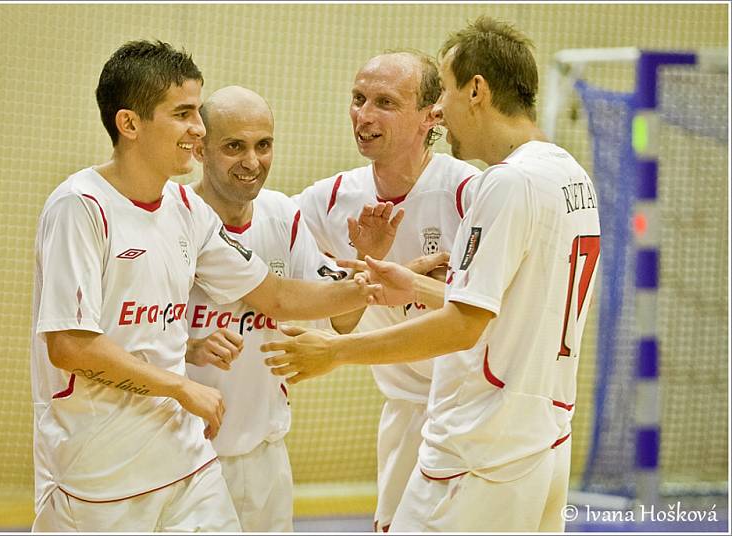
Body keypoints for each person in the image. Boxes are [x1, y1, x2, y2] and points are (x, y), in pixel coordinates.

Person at [265, 16, 601, 532]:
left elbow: (464, 324)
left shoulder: (500, 185)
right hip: (544, 434)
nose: (440, 111)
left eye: (441, 93)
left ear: (477, 90)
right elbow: (516, 304)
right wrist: (414, 286)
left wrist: (333, 354)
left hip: (481, 441)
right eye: (360, 98)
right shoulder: (570, 175)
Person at [31, 40, 381, 533]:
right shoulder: (80, 206)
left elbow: (276, 295)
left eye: (198, 112)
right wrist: (181, 386)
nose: (197, 129)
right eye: (183, 114)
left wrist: (370, 282)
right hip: (97, 474)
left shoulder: (186, 211)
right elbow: (69, 346)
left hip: (184, 462)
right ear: (129, 124)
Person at [292, 50, 481, 532]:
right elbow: (339, 318)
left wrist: (418, 284)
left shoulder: (469, 191)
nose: (365, 116)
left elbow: (497, 310)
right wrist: (361, 282)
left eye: (385, 102)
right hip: (405, 413)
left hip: (476, 412)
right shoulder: (327, 201)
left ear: (430, 115)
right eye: (358, 99)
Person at [183, 85, 355, 531]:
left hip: (265, 455)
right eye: (234, 146)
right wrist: (189, 346)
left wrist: (373, 270)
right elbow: (131, 331)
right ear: (200, 148)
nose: (252, 161)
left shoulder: (282, 214)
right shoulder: (173, 217)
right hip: (183, 455)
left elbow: (340, 318)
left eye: (263, 145)